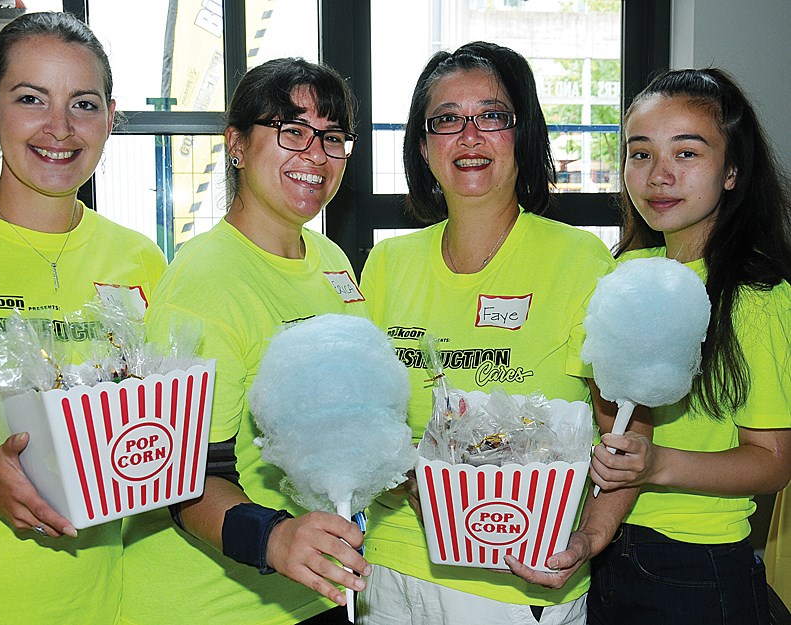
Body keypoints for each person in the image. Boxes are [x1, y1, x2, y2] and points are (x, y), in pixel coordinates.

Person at [357, 41, 650, 625]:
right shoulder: (388, 264)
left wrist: (588, 541)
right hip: (390, 573)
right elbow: (366, 419)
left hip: (521, 580)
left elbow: (625, 430)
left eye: (491, 116)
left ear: (524, 133)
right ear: (422, 144)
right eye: (446, 120)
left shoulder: (581, 261)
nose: (469, 136)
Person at [0, 11, 167, 625]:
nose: (59, 128)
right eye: (31, 98)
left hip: (105, 604)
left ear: (111, 118)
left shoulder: (140, 259)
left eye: (83, 104)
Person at [121, 57, 370, 625]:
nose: (314, 154)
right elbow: (177, 479)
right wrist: (277, 538)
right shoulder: (206, 279)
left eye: (333, 138)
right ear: (235, 142)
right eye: (291, 131)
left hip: (314, 590)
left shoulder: (329, 259)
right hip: (218, 603)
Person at [588, 68, 791, 625]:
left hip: (697, 565)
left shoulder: (757, 297)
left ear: (732, 171)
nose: (659, 175)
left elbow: (772, 463)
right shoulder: (625, 271)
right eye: (640, 153)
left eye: (686, 154)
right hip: (604, 542)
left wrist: (655, 464)